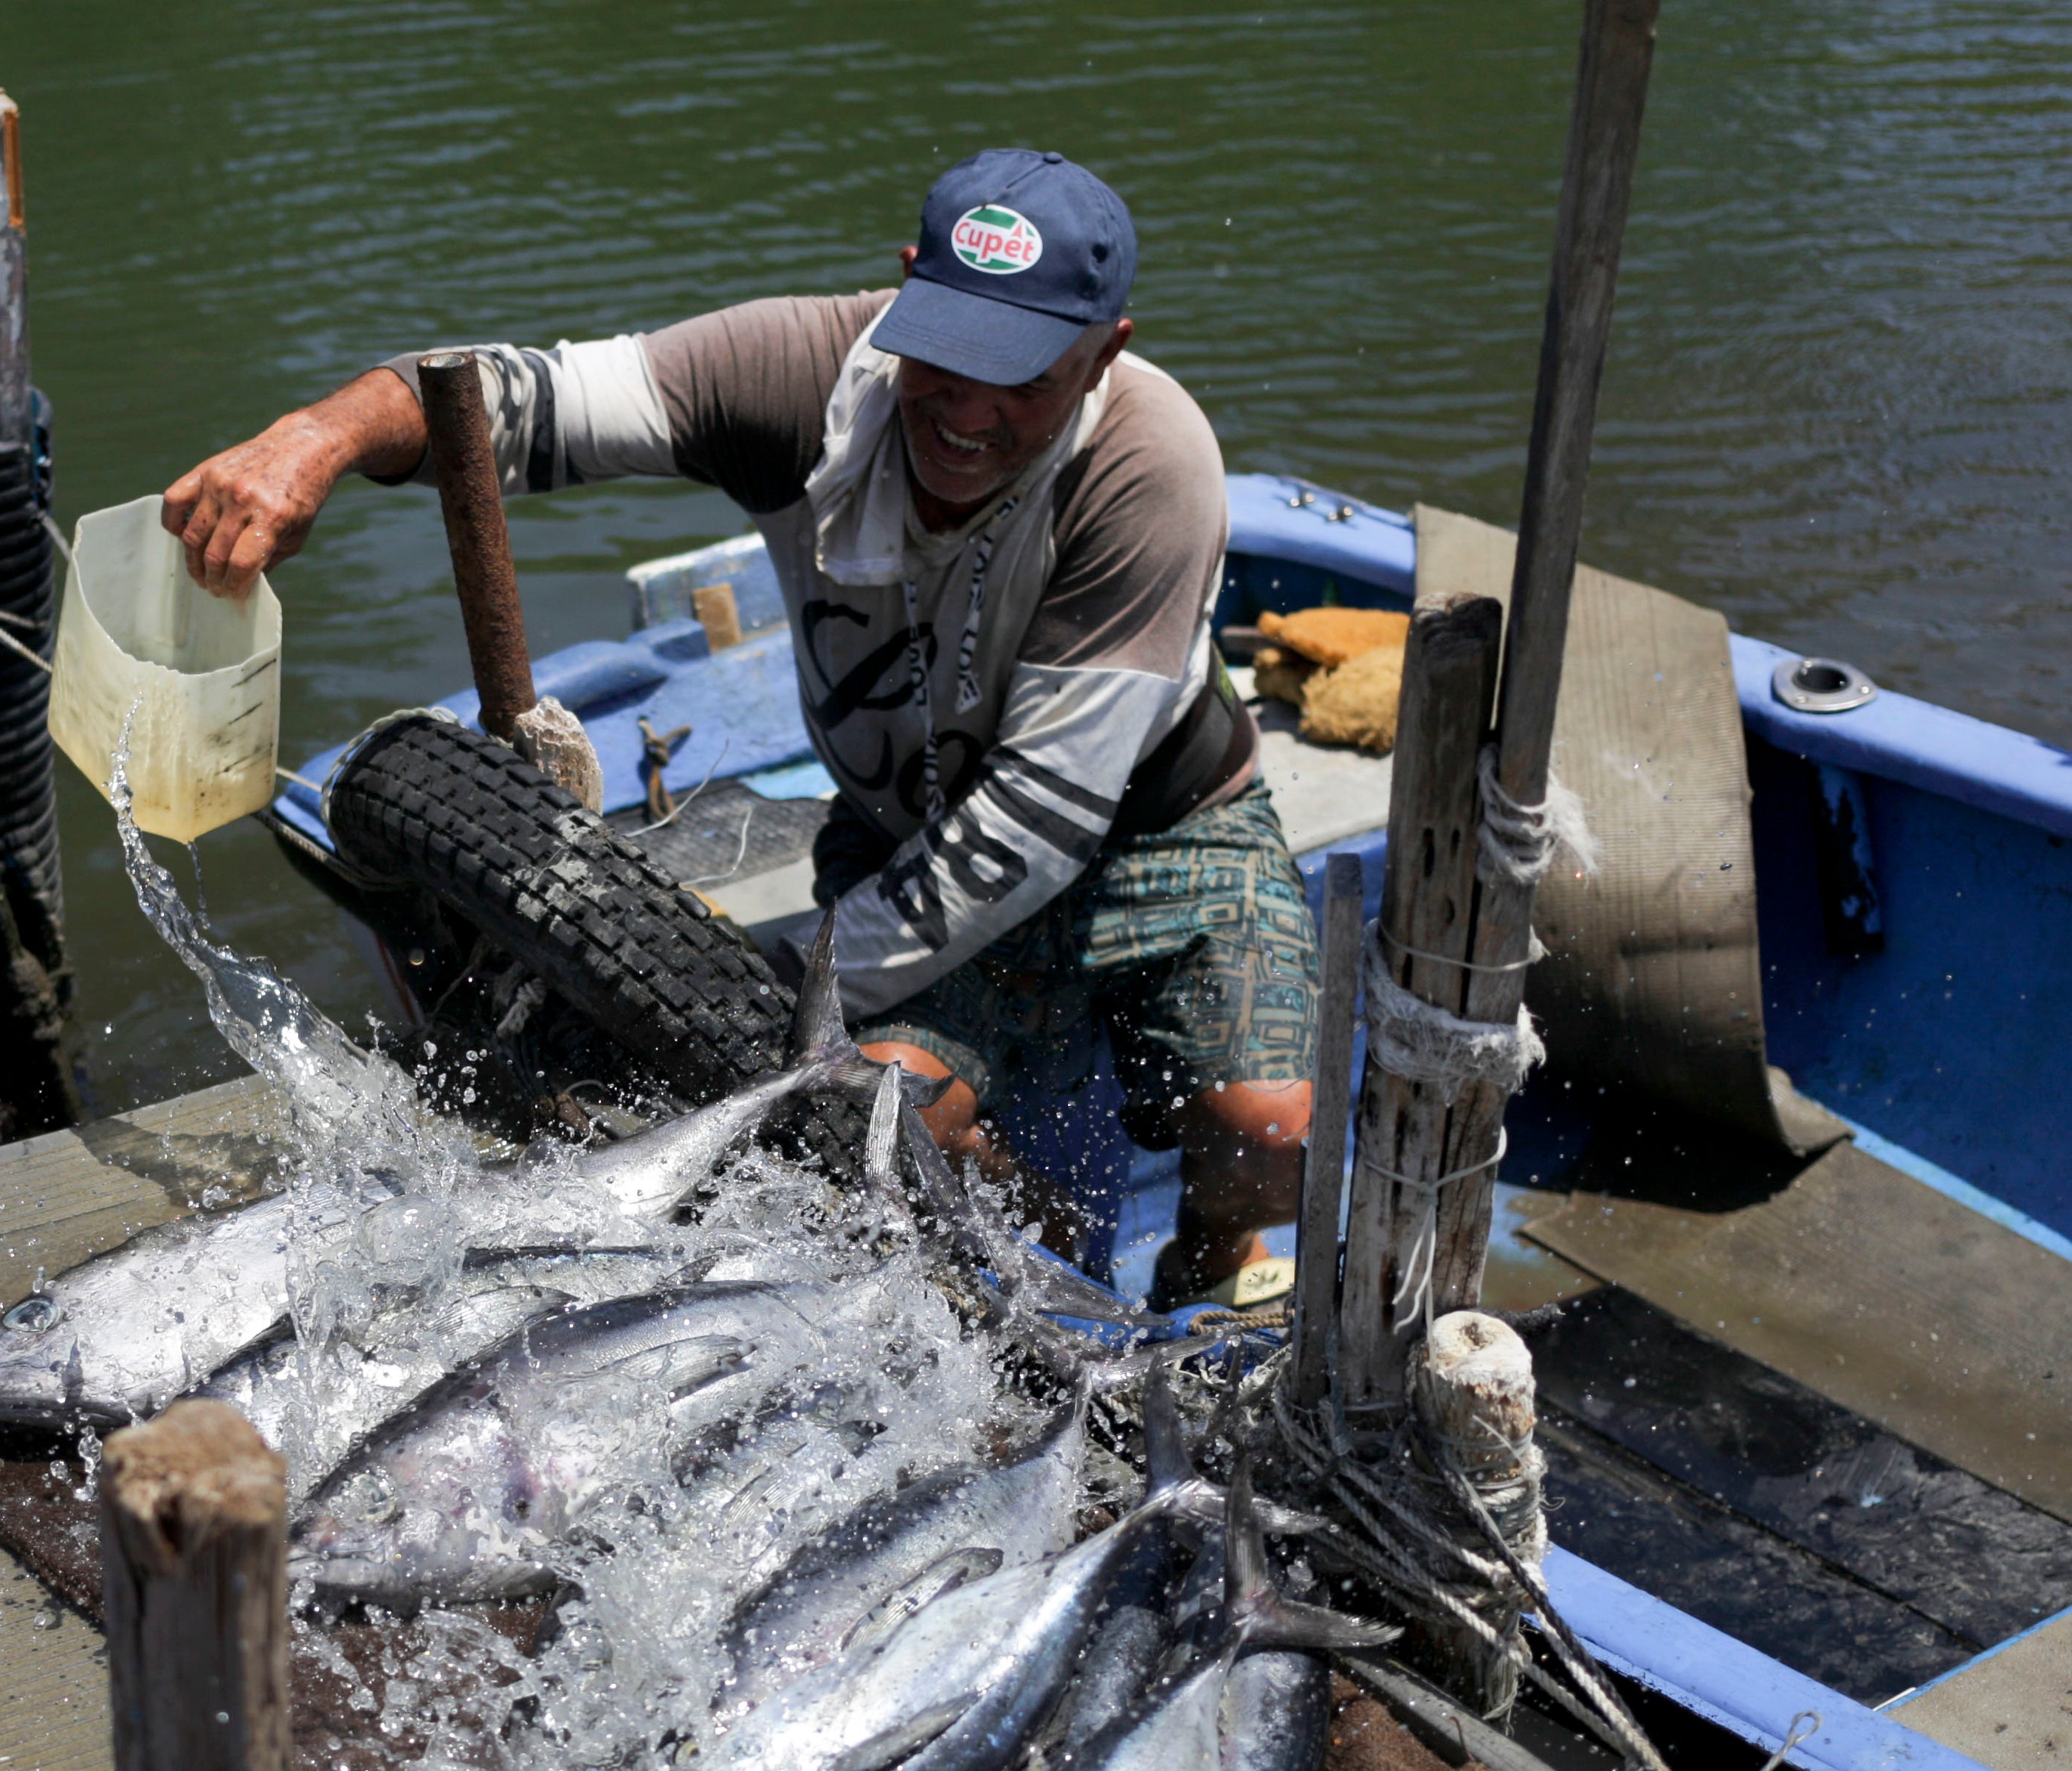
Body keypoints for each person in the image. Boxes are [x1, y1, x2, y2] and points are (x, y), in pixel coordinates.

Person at [163, 149, 1318, 1309]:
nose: (968, 413)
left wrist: (750, 990)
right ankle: (1052, 1278)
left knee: (1267, 1136)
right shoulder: (804, 374)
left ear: (1104, 352)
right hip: (906, 829)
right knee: (882, 1131)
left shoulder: (1147, 459)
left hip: (1161, 827)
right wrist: (315, 438)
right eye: (947, 355)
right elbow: (515, 400)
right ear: (905, 288)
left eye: (1019, 376)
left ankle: (1210, 1263)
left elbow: (1038, 826)